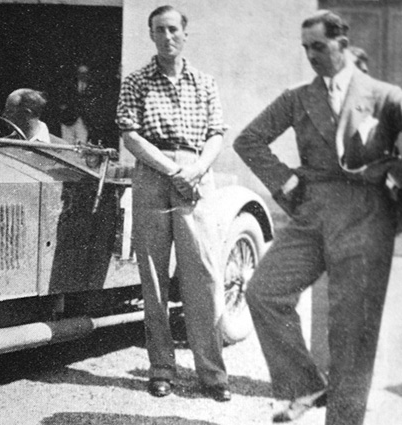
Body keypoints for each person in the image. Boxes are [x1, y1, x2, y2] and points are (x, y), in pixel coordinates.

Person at [233, 10, 402, 424]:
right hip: (312, 214)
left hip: (365, 216)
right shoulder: (298, 97)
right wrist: (287, 186)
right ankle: (304, 385)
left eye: (319, 46)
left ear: (342, 46)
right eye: (305, 48)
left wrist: (395, 201)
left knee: (351, 333)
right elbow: (248, 140)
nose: (310, 55)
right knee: (264, 291)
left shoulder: (385, 96)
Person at [116, 5, 231, 402]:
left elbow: (217, 133)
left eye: (173, 30)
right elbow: (131, 136)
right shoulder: (136, 82)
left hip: (196, 173)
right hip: (153, 173)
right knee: (153, 277)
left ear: (185, 34)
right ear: (151, 35)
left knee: (203, 275)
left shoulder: (204, 83)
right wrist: (171, 170)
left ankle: (213, 374)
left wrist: (195, 169)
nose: (167, 37)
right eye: (159, 30)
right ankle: (161, 368)